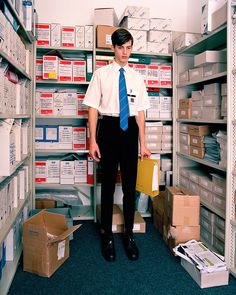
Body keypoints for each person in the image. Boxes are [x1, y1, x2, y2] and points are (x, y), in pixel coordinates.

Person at [83, 28, 151, 262]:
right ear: (113, 48)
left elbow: (141, 112)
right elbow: (92, 107)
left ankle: (129, 236)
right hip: (109, 129)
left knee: (130, 187)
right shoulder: (101, 74)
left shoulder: (136, 77)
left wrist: (143, 143)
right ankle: (107, 237)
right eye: (121, 47)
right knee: (109, 185)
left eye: (129, 47)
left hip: (130, 130)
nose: (125, 52)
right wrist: (93, 139)